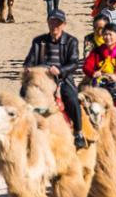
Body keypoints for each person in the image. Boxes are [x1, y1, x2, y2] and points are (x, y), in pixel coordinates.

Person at [23, 10, 86, 149]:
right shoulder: (38, 42)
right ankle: (20, 131)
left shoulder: (71, 41)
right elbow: (29, 60)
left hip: (62, 79)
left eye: (58, 23)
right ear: (48, 23)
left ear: (64, 25)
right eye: (52, 22)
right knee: (22, 97)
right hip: (41, 79)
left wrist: (61, 70)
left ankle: (78, 132)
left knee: (72, 98)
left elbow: (74, 63)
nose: (55, 26)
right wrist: (28, 68)